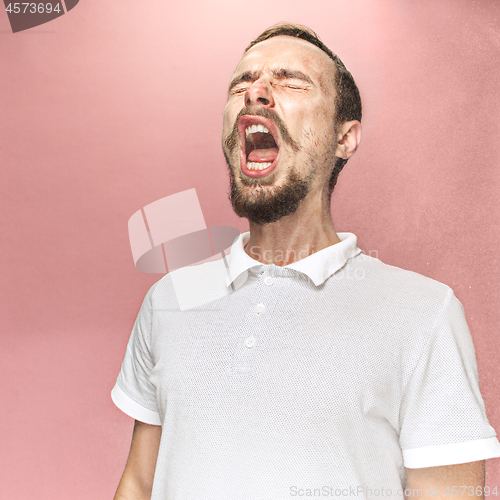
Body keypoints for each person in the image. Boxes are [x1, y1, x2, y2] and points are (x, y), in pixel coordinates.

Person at [111, 23, 500, 500]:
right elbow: (140, 482)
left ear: (345, 138)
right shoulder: (168, 299)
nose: (256, 92)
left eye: (291, 81)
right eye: (241, 83)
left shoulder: (425, 313)